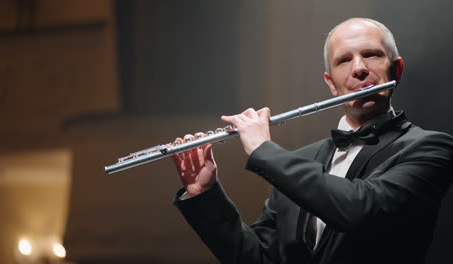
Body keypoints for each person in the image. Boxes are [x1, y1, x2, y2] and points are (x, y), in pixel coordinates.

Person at [170, 18, 453, 264]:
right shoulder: (302, 161)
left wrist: (263, 150)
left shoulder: (430, 148)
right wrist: (205, 195)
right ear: (331, 83)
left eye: (371, 55)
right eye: (344, 60)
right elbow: (256, 258)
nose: (358, 68)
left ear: (397, 70)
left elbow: (360, 210)